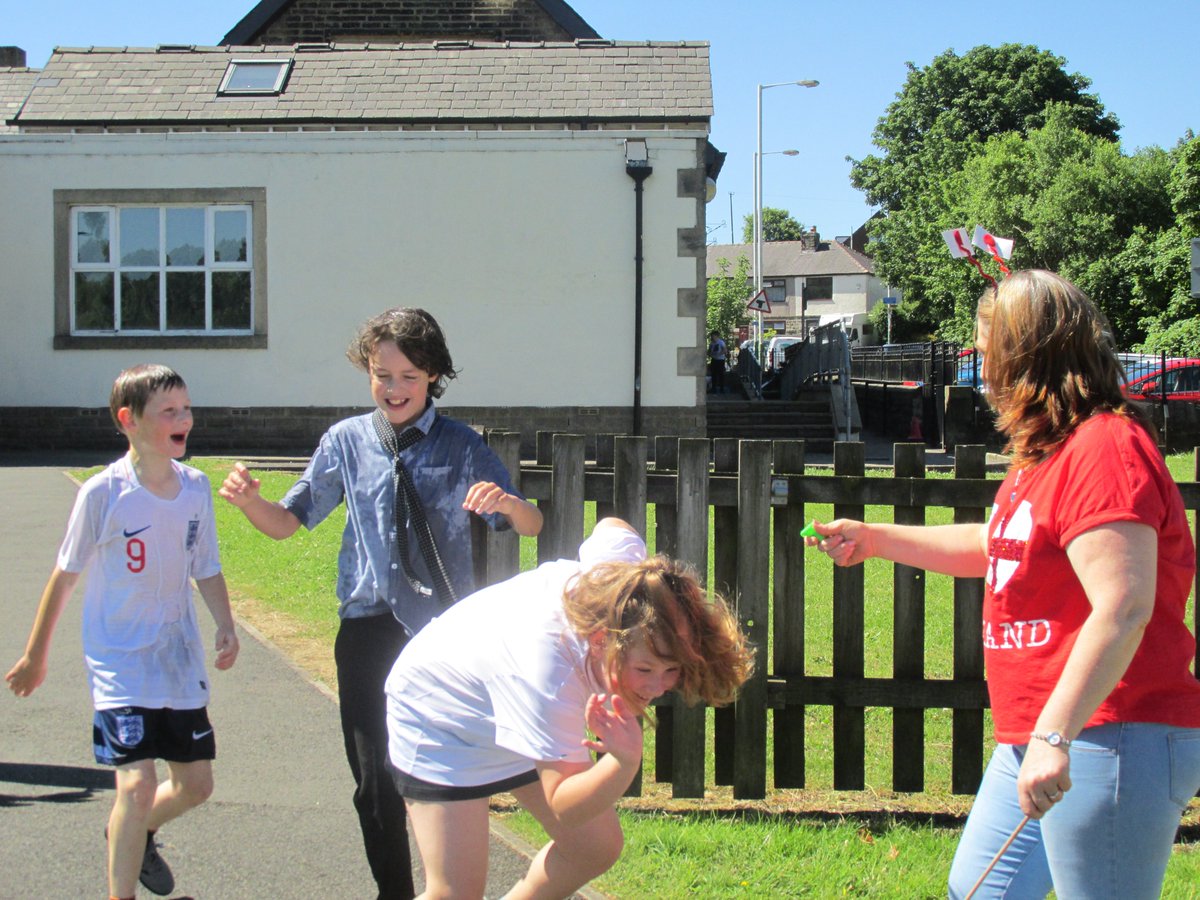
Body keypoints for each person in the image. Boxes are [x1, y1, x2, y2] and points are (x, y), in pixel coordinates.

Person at [807, 269, 1200, 899]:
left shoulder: (1106, 448)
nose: (981, 368)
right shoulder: (1046, 454)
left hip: (1111, 729)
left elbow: (1124, 606)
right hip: (1046, 730)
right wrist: (877, 539)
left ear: (1027, 355)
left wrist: (1055, 735)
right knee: (979, 891)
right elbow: (996, 547)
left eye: (988, 351)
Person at [219, 306, 543, 900]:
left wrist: (507, 503)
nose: (393, 389)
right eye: (381, 375)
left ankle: (448, 884)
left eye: (408, 377)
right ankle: (393, 891)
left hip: (442, 636)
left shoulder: (462, 444)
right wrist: (248, 504)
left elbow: (529, 521)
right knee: (374, 781)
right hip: (367, 631)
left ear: (435, 377)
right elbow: (289, 521)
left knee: (442, 775)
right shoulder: (345, 441)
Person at [385, 518, 754, 899]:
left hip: (504, 698)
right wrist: (621, 763)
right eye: (644, 669)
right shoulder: (551, 673)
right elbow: (564, 805)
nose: (657, 686)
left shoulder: (627, 584)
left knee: (594, 848)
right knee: (454, 893)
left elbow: (613, 526)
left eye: (671, 670)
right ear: (600, 641)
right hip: (441, 713)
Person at [6, 364, 240, 900]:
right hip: (119, 660)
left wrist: (225, 624)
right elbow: (64, 577)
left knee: (195, 786)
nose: (184, 419)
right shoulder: (103, 493)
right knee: (134, 787)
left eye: (186, 409)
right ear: (128, 421)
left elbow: (204, 565)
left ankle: (130, 835)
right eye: (168, 412)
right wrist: (35, 656)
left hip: (177, 658)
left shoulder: (196, 488)